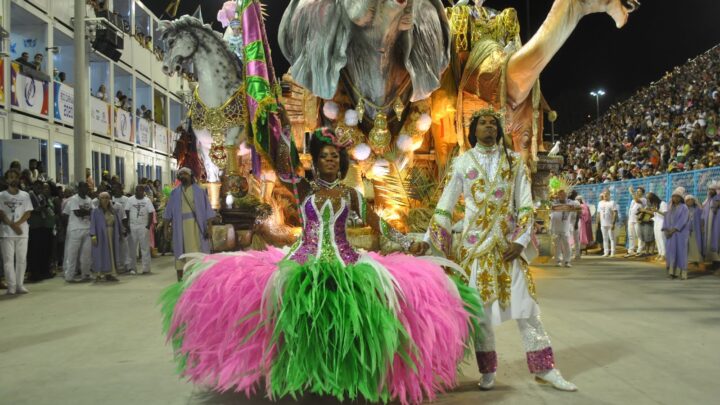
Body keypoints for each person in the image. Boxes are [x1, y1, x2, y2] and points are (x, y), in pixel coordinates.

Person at [160, 128, 482, 404]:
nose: (330, 160)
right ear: (316, 161)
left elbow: (378, 226)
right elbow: (282, 159)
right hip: (304, 260)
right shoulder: (303, 189)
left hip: (346, 262)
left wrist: (406, 242)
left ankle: (342, 375)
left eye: (335, 157)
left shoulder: (352, 195)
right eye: (325, 156)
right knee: (289, 314)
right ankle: (300, 374)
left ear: (341, 163)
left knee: (352, 320)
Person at [427, 109, 576, 391]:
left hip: (508, 248)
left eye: (493, 123)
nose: (488, 127)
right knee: (481, 315)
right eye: (482, 122)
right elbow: (445, 207)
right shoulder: (461, 163)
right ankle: (488, 370)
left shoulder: (515, 162)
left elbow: (524, 204)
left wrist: (519, 241)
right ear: (473, 130)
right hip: (474, 250)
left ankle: (545, 368)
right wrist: (430, 239)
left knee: (528, 310)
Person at [163, 167, 215, 281]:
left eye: (185, 174)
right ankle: (181, 281)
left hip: (197, 226)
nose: (182, 176)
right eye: (180, 174)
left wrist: (209, 228)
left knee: (198, 252)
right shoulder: (174, 193)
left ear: (191, 176)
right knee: (181, 254)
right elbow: (168, 213)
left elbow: (208, 211)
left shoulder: (200, 191)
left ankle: (200, 280)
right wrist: (166, 229)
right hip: (179, 228)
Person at [0, 170, 34, 295]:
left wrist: (18, 224)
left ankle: (20, 284)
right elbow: (1, 213)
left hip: (22, 232)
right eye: (10, 177)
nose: (13, 179)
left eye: (15, 177)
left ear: (19, 179)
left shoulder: (25, 195)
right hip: (7, 232)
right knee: (8, 260)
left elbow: (28, 212)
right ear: (6, 180)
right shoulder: (1, 195)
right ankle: (11, 286)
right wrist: (12, 225)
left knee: (21, 259)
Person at [63, 182, 93, 282]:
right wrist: (87, 212)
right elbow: (77, 213)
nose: (86, 189)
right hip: (75, 229)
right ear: (79, 188)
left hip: (87, 228)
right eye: (83, 187)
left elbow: (92, 212)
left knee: (86, 254)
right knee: (72, 254)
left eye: (87, 187)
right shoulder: (74, 199)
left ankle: (86, 274)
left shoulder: (89, 199)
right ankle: (69, 276)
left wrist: (84, 211)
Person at [27, 181, 56, 282]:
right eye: (39, 187)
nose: (41, 190)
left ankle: (43, 271)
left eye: (42, 187)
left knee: (44, 251)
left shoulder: (43, 197)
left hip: (43, 227)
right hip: (34, 227)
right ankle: (34, 274)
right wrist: (40, 208)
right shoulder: (30, 196)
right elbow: (31, 210)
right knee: (34, 252)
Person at [90, 192, 122, 282]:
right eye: (103, 198)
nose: (105, 200)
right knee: (100, 253)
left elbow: (118, 223)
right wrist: (93, 236)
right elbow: (92, 224)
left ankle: (109, 274)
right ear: (99, 199)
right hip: (100, 235)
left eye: (107, 198)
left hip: (111, 234)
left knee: (111, 253)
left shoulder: (113, 210)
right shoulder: (96, 211)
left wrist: (120, 233)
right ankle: (98, 274)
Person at [124, 185, 154, 275]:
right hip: (133, 226)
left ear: (143, 191)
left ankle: (146, 268)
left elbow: (151, 213)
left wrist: (148, 225)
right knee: (132, 248)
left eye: (141, 191)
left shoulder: (147, 200)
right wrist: (127, 225)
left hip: (143, 226)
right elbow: (127, 212)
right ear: (135, 191)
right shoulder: (130, 200)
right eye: (137, 191)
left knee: (145, 248)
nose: (139, 192)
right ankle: (132, 268)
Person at [664, 187, 690, 280]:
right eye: (674, 196)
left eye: (677, 197)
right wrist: (666, 229)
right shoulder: (670, 207)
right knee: (671, 252)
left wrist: (674, 229)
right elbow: (666, 219)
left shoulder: (684, 208)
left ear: (681, 198)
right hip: (670, 235)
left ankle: (682, 273)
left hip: (680, 234)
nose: (675, 198)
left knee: (681, 252)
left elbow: (683, 220)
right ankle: (672, 272)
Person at [550, 188, 575, 268]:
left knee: (567, 245)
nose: (562, 196)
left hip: (565, 228)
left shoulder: (570, 203)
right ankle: (558, 261)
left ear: (566, 195)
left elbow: (576, 207)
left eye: (563, 194)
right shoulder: (553, 204)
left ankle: (567, 261)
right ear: (557, 196)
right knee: (557, 246)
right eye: (560, 195)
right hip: (555, 228)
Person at [111, 183, 130, 272]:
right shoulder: (111, 199)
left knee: (124, 246)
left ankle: (127, 265)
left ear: (120, 189)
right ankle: (117, 265)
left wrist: (125, 227)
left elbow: (126, 214)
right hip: (112, 227)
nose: (115, 190)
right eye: (113, 188)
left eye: (117, 188)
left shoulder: (126, 199)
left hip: (122, 224)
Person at [702, 181, 720, 272]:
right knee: (709, 243)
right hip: (708, 226)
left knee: (716, 242)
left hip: (716, 225)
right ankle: (713, 263)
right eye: (709, 190)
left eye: (712, 190)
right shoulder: (708, 200)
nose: (710, 191)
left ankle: (717, 264)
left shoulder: (717, 198)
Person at [625, 186, 647, 257]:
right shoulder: (632, 201)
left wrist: (632, 192)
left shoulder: (643, 199)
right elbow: (631, 210)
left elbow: (637, 200)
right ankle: (631, 250)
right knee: (631, 236)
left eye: (639, 191)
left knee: (639, 236)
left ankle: (639, 250)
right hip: (631, 220)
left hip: (638, 220)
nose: (637, 192)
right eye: (636, 191)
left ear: (643, 193)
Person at [597, 191, 619, 257]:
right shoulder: (600, 203)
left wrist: (613, 223)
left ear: (609, 195)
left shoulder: (612, 202)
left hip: (610, 223)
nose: (605, 196)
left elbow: (615, 213)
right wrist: (598, 223)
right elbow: (598, 213)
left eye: (606, 194)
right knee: (605, 238)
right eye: (604, 194)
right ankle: (606, 252)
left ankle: (612, 252)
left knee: (612, 238)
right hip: (603, 224)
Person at [685, 195, 703, 266]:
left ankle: (697, 260)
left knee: (696, 245)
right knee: (689, 246)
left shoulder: (698, 209)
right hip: (687, 230)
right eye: (688, 200)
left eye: (691, 200)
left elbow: (702, 217)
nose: (690, 201)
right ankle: (691, 259)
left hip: (696, 230)